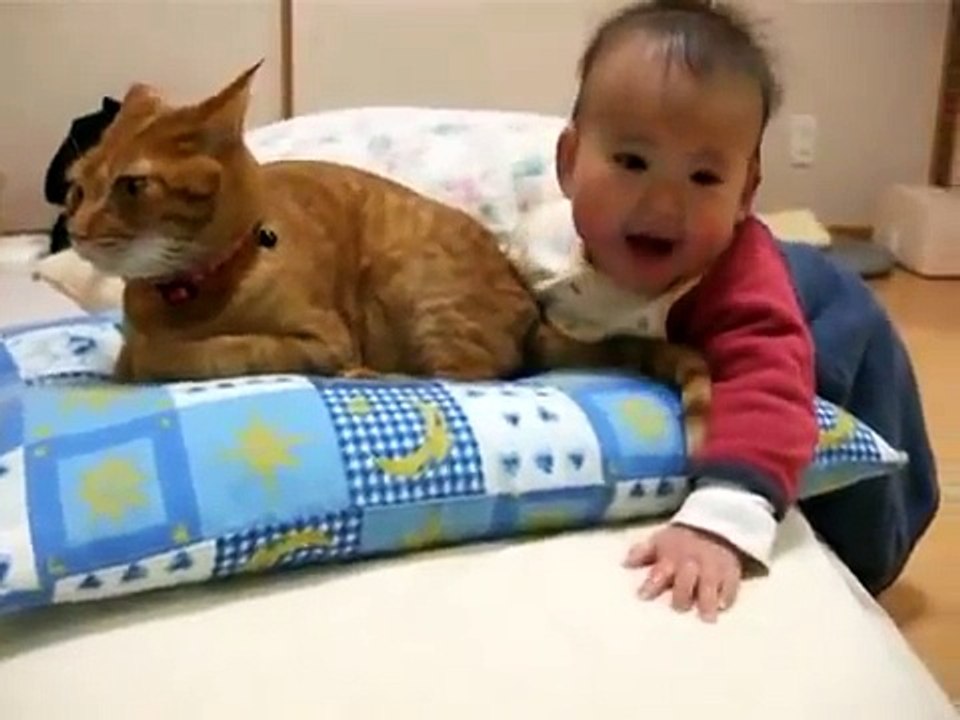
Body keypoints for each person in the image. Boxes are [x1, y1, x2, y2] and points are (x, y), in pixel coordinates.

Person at [507, 0, 938, 621]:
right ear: (569, 162)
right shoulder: (542, 247)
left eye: (704, 177)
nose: (664, 203)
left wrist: (723, 517)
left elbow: (766, 386)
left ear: (746, 193)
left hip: (835, 333)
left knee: (851, 512)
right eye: (631, 162)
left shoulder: (739, 282)